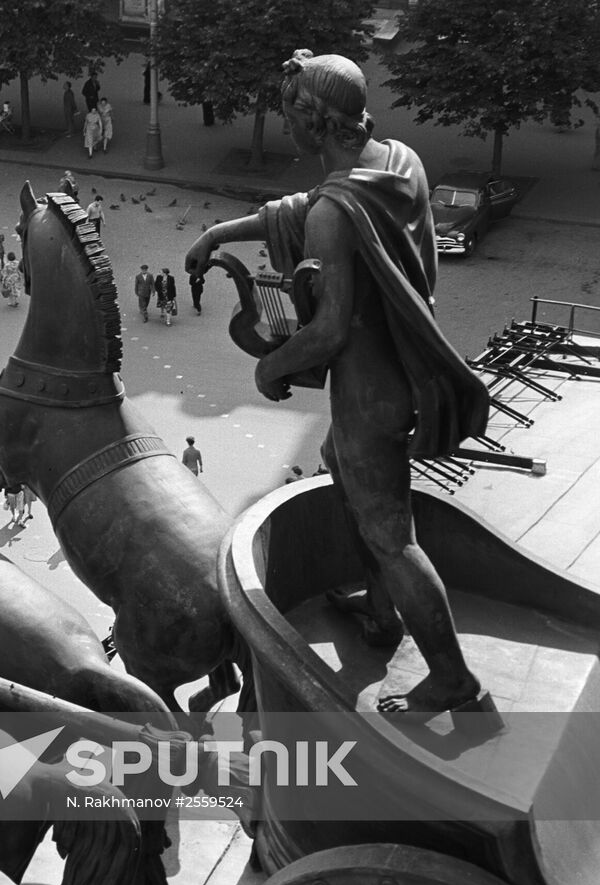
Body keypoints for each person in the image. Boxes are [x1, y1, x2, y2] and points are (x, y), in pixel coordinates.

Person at [185, 50, 495, 723]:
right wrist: (225, 229)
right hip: (403, 371)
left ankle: (452, 680)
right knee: (337, 469)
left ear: (310, 121)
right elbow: (320, 204)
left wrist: (269, 367)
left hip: (369, 389)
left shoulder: (335, 211)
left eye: (289, 114)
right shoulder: (399, 162)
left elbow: (326, 332)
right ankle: (381, 612)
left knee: (392, 536)